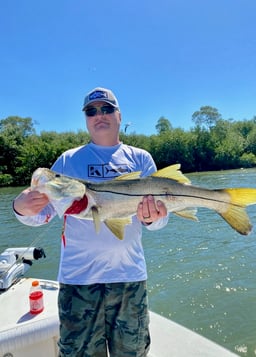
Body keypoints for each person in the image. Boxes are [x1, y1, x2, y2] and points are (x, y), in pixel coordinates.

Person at [13, 87, 169, 357]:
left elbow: (157, 221)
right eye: (91, 111)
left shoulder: (141, 158)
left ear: (119, 115)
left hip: (129, 278)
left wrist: (153, 219)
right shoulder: (68, 161)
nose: (100, 115)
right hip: (78, 281)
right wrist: (19, 207)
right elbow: (41, 215)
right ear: (85, 118)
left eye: (107, 109)